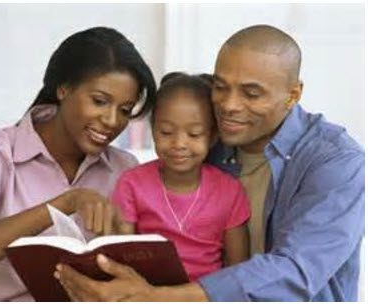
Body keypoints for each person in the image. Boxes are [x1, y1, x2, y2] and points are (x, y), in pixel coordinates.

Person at [54, 24, 365, 301]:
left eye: (251, 94)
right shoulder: (208, 144)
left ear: (293, 94)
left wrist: (156, 297)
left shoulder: (336, 162)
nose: (229, 105)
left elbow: (296, 271)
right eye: (220, 86)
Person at [0, 26, 156, 301]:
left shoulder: (124, 168)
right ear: (63, 88)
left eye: (125, 110)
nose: (113, 121)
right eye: (100, 101)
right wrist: (65, 203)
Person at [111, 72, 251, 281]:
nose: (179, 144)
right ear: (153, 130)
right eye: (166, 132)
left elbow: (238, 268)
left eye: (194, 134)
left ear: (213, 136)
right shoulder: (132, 184)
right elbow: (120, 255)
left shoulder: (230, 191)